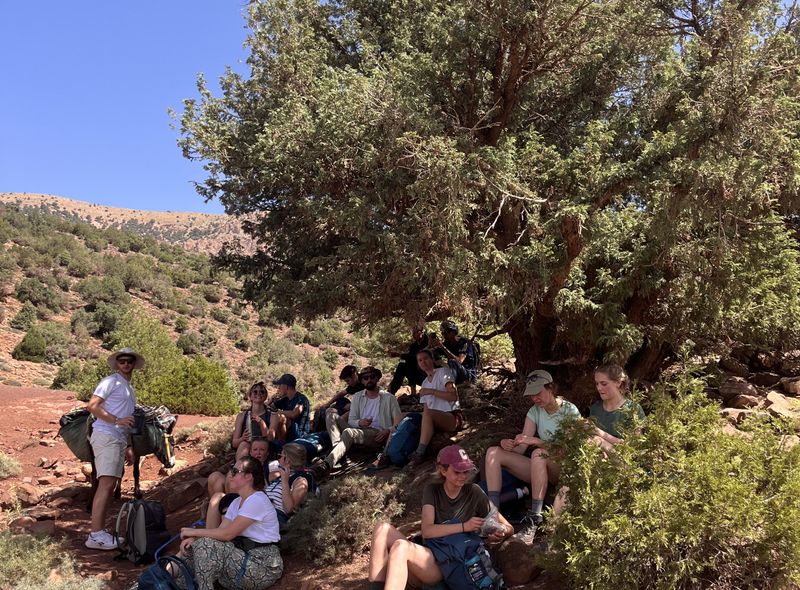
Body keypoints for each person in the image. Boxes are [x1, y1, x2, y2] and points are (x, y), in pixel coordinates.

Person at [367, 445, 512, 590]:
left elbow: (507, 526)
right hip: (430, 554)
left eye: (466, 471)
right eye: (457, 471)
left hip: (451, 562)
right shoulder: (433, 490)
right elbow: (428, 531)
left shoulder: (474, 492)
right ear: (443, 470)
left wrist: (501, 532)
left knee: (400, 547)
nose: (463, 476)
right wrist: (464, 526)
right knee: (382, 529)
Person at [483, 369, 580, 544]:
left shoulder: (569, 410)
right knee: (493, 452)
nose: (535, 398)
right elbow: (521, 449)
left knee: (538, 452)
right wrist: (509, 444)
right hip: (540, 467)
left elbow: (571, 450)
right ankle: (493, 514)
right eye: (531, 395)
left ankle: (534, 518)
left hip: (563, 468)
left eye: (538, 393)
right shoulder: (534, 411)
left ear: (550, 388)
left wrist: (536, 441)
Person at [178, 456, 283, 590]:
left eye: (235, 471)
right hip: (243, 560)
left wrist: (193, 532)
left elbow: (227, 534)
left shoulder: (257, 500)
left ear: (248, 477)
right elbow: (220, 532)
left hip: (263, 566)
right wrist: (195, 539)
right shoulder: (236, 503)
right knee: (193, 551)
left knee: (206, 545)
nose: (230, 475)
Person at [84, 347, 143, 550]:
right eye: (122, 361)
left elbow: (127, 418)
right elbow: (92, 405)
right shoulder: (111, 381)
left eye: (129, 361)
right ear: (117, 363)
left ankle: (99, 531)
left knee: (110, 484)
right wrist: (116, 420)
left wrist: (127, 445)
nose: (126, 364)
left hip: (117, 438)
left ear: (134, 364)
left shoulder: (128, 387)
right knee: (106, 484)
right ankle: (96, 535)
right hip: (106, 435)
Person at [208, 443, 313, 532]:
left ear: (288, 460)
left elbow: (289, 509)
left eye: (281, 456)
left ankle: (213, 542)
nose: (279, 458)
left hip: (271, 516)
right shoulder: (277, 477)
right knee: (219, 497)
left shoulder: (300, 481)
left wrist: (285, 481)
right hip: (256, 508)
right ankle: (211, 540)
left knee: (226, 506)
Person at [317, 366, 401, 474]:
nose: (369, 380)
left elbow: (398, 421)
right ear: (362, 381)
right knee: (330, 414)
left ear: (377, 378)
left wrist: (388, 430)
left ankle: (327, 464)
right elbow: (351, 420)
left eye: (372, 377)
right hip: (358, 430)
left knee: (349, 432)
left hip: (376, 435)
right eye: (365, 378)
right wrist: (360, 422)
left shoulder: (389, 398)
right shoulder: (357, 396)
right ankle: (339, 452)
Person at [406, 349, 462, 468]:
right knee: (403, 417)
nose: (423, 362)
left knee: (429, 414)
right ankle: (387, 453)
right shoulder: (425, 382)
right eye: (420, 360)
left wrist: (431, 391)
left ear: (432, 359)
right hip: (434, 417)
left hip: (451, 416)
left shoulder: (443, 372)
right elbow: (426, 409)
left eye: (425, 358)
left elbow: (453, 396)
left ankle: (419, 453)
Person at [589, 364, 645, 450]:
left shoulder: (633, 409)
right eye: (597, 384)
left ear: (618, 382)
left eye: (604, 384)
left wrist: (599, 433)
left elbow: (635, 446)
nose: (599, 388)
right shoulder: (595, 408)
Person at [232, 382, 272, 460]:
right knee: (244, 444)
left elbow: (270, 438)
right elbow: (234, 443)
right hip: (248, 446)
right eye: (255, 392)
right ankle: (240, 470)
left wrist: (261, 423)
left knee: (260, 446)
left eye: (262, 392)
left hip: (264, 448)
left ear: (266, 396)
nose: (258, 393)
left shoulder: (272, 416)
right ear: (250, 396)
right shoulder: (242, 416)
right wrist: (242, 438)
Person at [387, 325, 431, 395]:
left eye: (415, 333)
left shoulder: (429, 343)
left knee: (409, 363)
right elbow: (410, 358)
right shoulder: (413, 346)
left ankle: (413, 393)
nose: (413, 335)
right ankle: (392, 392)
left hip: (427, 373)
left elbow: (418, 356)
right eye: (413, 333)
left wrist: (399, 355)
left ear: (421, 332)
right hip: (416, 372)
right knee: (403, 365)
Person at [268, 374, 311, 442]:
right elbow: (270, 408)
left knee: (280, 417)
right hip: (289, 433)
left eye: (280, 385)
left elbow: (294, 414)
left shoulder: (301, 399)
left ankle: (281, 444)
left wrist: (278, 412)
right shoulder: (286, 399)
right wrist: (271, 400)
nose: (278, 388)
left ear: (286, 386)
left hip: (300, 434)